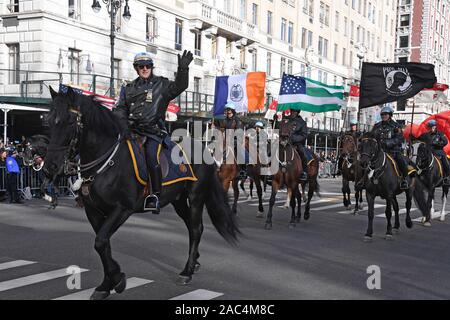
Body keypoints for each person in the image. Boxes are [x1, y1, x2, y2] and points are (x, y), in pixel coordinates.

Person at [114, 50, 193, 213]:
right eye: (141, 66)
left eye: (148, 65)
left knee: (151, 156)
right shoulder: (127, 88)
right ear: (136, 68)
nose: (144, 68)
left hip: (153, 132)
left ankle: (155, 195)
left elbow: (180, 86)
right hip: (132, 132)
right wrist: (123, 127)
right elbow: (120, 109)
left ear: (151, 67)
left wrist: (183, 69)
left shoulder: (162, 84)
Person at [370, 106, 410, 189]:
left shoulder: (396, 126)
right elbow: (371, 136)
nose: (384, 116)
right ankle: (364, 180)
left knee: (401, 161)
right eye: (382, 114)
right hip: (379, 151)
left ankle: (404, 180)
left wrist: (388, 143)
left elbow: (400, 138)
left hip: (393, 151)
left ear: (390, 115)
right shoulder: (377, 126)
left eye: (386, 114)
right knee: (366, 161)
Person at [420, 120, 450, 186]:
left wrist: (436, 143)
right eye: (430, 127)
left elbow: (445, 142)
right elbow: (419, 138)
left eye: (432, 127)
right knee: (420, 162)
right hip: (429, 152)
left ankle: (447, 178)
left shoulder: (440, 134)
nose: (431, 128)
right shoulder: (426, 135)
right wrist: (412, 137)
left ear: (435, 127)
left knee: (446, 164)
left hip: (438, 152)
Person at [289, 109, 310, 181]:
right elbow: (279, 126)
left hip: (297, 143)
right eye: (291, 111)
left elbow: (304, 135)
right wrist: (274, 122)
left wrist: (294, 139)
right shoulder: (286, 119)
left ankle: (304, 172)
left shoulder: (302, 122)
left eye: (294, 112)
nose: (292, 113)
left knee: (302, 153)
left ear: (297, 113)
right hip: (286, 142)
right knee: (274, 150)